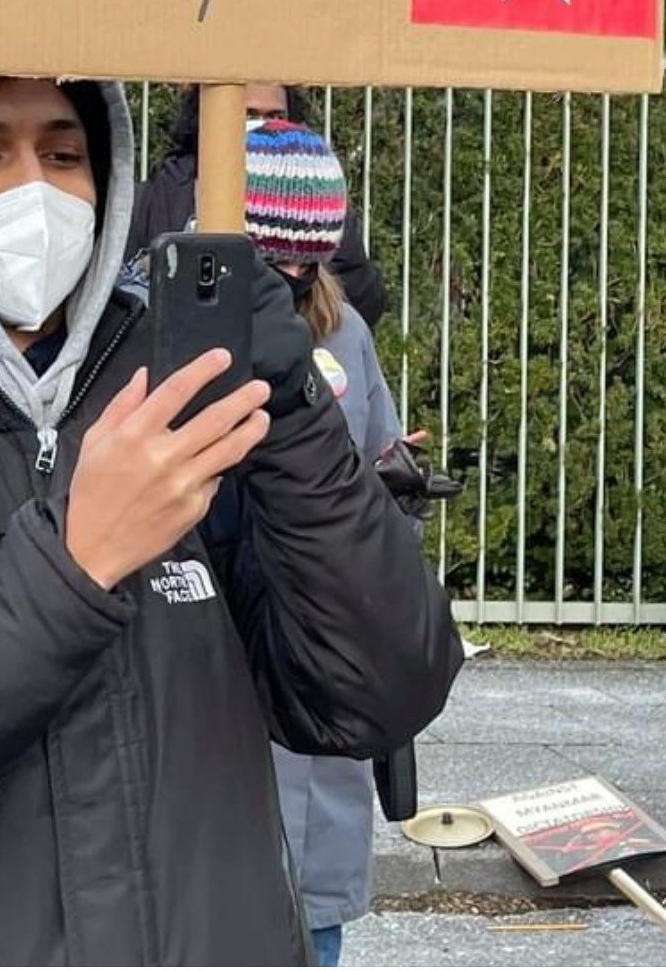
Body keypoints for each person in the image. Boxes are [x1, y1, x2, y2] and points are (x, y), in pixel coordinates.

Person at [0, 71, 462, 966]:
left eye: (65, 155)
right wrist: (71, 564)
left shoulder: (188, 426)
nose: (33, 189)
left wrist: (292, 413)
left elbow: (376, 693)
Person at [238, 118, 426, 966]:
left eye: (304, 261)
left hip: (316, 638)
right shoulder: (169, 321)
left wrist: (395, 481)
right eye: (269, 260)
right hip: (215, 635)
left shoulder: (343, 328)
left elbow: (377, 454)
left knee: (312, 895)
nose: (289, 279)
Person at [128, 82, 389, 327]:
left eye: (275, 116)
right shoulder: (160, 198)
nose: (262, 127)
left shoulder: (317, 206)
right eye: (248, 116)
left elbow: (362, 295)